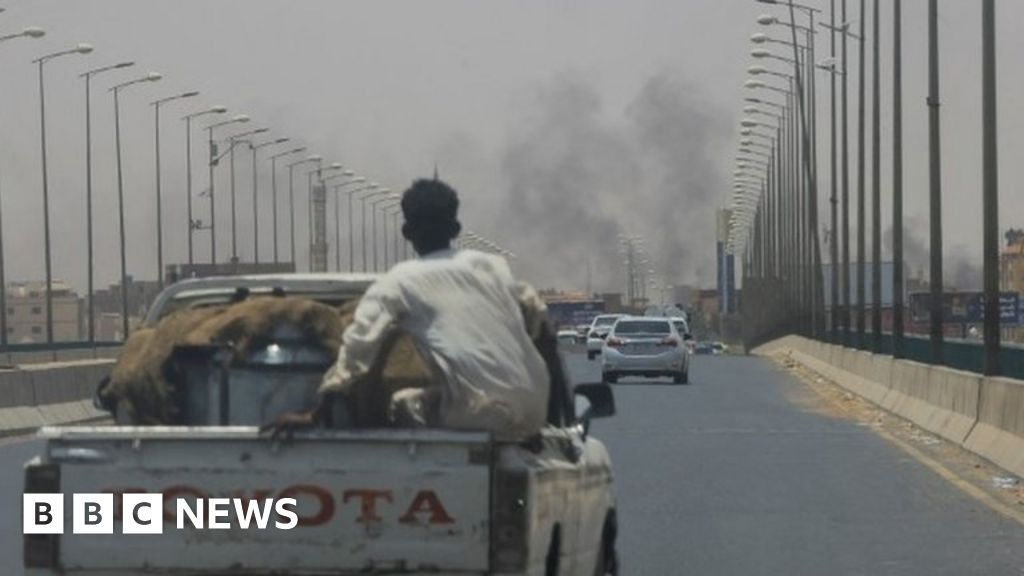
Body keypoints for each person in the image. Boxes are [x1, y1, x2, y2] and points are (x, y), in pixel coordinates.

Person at [317, 178, 551, 440]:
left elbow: (359, 346)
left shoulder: (399, 281)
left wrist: (320, 405)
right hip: (535, 410)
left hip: (475, 414)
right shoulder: (492, 266)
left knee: (401, 404)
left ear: (406, 232)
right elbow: (538, 314)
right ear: (456, 229)